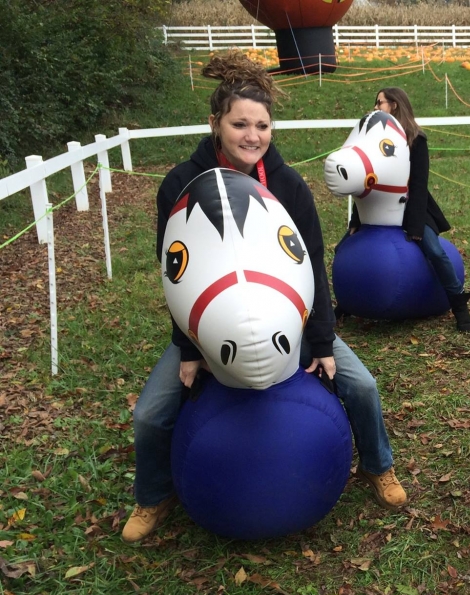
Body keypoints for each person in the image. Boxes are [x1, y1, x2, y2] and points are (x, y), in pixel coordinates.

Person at [123, 51, 406, 544]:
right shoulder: (179, 184)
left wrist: (320, 342)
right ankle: (153, 495)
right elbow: (177, 275)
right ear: (215, 123)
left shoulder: (289, 187)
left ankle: (378, 466)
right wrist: (190, 349)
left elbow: (311, 266)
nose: (252, 136)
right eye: (239, 124)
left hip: (290, 322)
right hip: (211, 328)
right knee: (150, 413)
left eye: (262, 125)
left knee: (362, 386)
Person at [352, 87, 470, 332]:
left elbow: (419, 184)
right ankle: (349, 302)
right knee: (347, 245)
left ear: (394, 105)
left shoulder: (416, 139)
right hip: (378, 209)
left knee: (435, 251)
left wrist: (417, 225)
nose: (376, 108)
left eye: (380, 103)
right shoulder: (375, 142)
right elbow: (368, 181)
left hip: (412, 207)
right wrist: (357, 220)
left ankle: (459, 305)